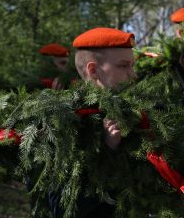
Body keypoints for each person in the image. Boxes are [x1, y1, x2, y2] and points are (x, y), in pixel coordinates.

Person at [48, 27, 136, 217]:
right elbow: (62, 208)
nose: (133, 74)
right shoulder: (66, 121)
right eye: (123, 66)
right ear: (94, 70)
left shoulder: (134, 112)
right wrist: (107, 149)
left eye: (132, 65)